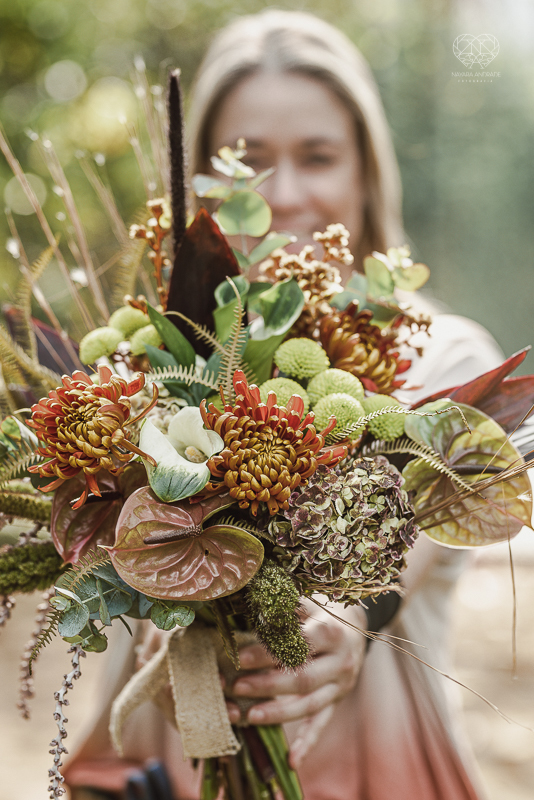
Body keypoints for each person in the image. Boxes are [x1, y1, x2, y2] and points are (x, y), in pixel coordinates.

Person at [65, 10, 503, 800]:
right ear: (193, 181)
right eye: (249, 164)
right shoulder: (150, 365)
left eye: (319, 156)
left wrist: (344, 626)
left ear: (367, 171)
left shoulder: (446, 359)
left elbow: (410, 530)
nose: (286, 194)